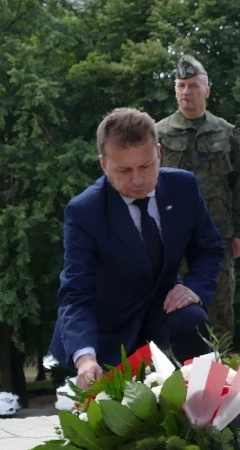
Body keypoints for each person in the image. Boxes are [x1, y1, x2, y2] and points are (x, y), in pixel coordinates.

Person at [51, 108, 223, 387]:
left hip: (162, 306)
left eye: (146, 166)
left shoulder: (184, 188)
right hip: (106, 326)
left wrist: (194, 287)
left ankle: (212, 405)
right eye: (124, 170)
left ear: (159, 152)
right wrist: (85, 358)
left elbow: (209, 248)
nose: (138, 180)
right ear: (104, 165)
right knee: (118, 419)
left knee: (193, 319)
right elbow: (76, 294)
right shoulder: (84, 212)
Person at [155, 56, 240, 341]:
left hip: (216, 238)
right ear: (175, 90)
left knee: (219, 313)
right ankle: (169, 380)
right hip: (169, 239)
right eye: (181, 85)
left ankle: (219, 379)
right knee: (167, 310)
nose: (187, 91)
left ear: (207, 90)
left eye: (194, 85)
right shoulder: (158, 134)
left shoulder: (227, 132)